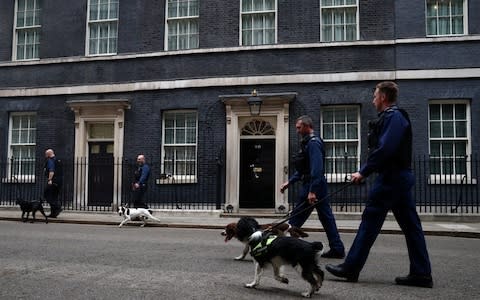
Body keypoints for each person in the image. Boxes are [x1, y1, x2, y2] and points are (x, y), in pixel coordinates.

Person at [325, 81, 433, 288]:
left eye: (375, 96)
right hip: (397, 178)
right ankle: (421, 273)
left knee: (370, 221)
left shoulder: (394, 117)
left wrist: (363, 171)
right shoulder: (393, 117)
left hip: (391, 179)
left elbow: (386, 149)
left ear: (383, 97)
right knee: (412, 227)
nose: (373, 99)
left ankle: (351, 267)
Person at [280, 115, 345, 258]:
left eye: (299, 127)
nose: (297, 131)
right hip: (315, 184)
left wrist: (312, 191)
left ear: (307, 126)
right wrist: (289, 182)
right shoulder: (308, 143)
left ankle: (286, 247)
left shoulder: (313, 143)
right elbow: (305, 169)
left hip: (312, 185)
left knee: (296, 218)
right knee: (326, 218)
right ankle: (337, 248)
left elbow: (316, 169)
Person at [43, 149, 63, 218]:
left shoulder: (50, 161)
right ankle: (53, 213)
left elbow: (51, 171)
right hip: (59, 181)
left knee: (47, 194)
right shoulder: (58, 160)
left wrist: (50, 179)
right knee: (54, 196)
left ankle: (58, 207)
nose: (45, 156)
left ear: (49, 154)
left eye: (46, 154)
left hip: (53, 181)